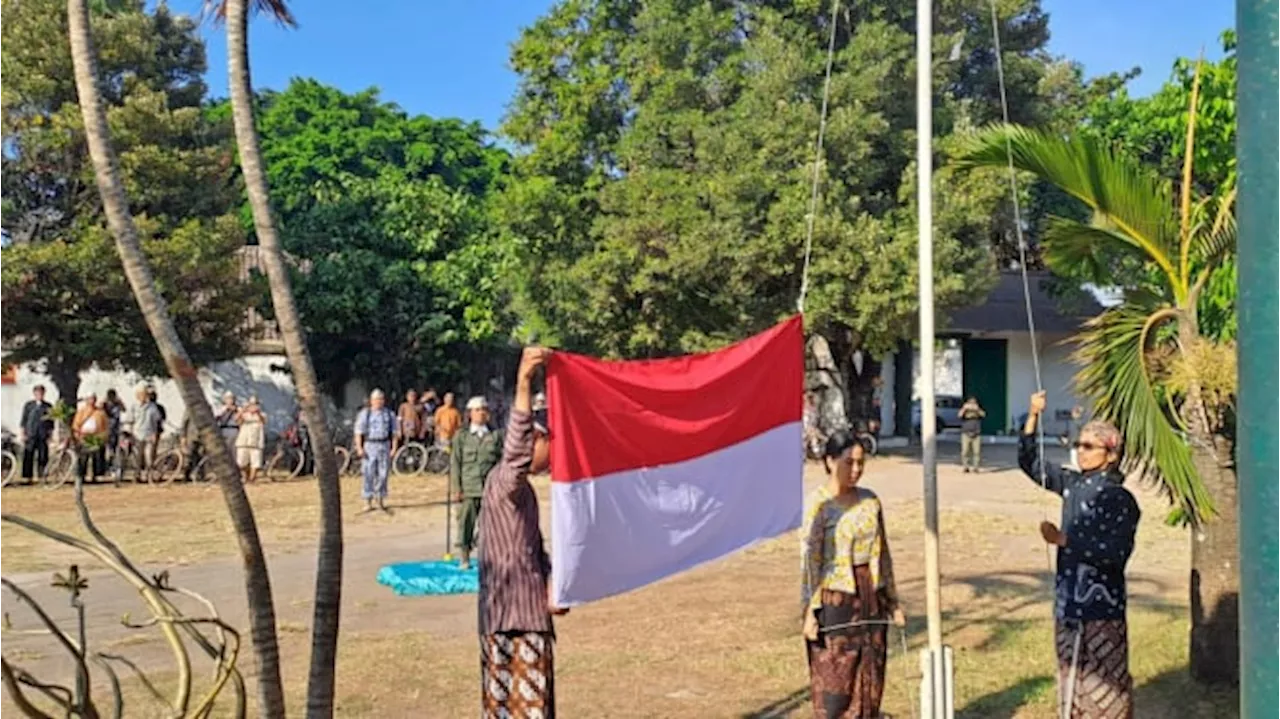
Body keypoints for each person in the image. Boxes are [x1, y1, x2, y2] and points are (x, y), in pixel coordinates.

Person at [1020, 391, 1139, 719]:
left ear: (1111, 454)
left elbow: (1115, 553)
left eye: (1088, 446)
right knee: (1070, 685)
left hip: (1103, 609)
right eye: (1078, 445)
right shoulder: (1072, 484)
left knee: (1106, 693)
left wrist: (1064, 540)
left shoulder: (1120, 499)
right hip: (1068, 602)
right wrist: (1032, 415)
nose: (1080, 452)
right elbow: (1030, 463)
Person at [478, 347, 567, 717]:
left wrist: (551, 584)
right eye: (552, 444)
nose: (555, 454)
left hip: (527, 616)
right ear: (537, 441)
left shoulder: (524, 492)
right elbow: (516, 445)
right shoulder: (506, 482)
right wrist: (524, 380)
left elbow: (532, 549)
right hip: (512, 624)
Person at [801, 430, 905, 719]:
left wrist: (892, 600)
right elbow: (810, 562)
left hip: (869, 593)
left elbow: (883, 555)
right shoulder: (818, 505)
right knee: (836, 676)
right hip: (834, 598)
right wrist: (810, 612)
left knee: (870, 671)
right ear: (830, 461)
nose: (856, 470)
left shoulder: (871, 502)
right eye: (849, 462)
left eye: (861, 463)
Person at [450, 396, 503, 569]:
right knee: (466, 523)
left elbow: (502, 462)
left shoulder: (496, 435)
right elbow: (455, 463)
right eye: (478, 410)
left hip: (490, 488)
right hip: (469, 487)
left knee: (490, 525)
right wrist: (457, 488)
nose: (481, 413)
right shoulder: (462, 436)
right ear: (470, 413)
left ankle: (487, 557)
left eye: (484, 410)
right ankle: (464, 557)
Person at [355, 389, 399, 513]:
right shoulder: (365, 414)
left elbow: (395, 433)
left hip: (384, 445)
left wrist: (394, 448)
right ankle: (367, 500)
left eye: (381, 399)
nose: (379, 401)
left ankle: (380, 499)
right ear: (371, 401)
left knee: (383, 474)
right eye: (376, 399)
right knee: (368, 473)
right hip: (370, 445)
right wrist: (359, 447)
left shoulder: (389, 414)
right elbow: (358, 432)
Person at [19, 385, 54, 483]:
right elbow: (24, 420)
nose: (39, 395)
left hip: (43, 435)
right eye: (37, 393)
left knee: (43, 456)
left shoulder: (48, 406)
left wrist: (50, 436)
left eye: (41, 393)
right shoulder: (29, 405)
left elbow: (51, 422)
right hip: (31, 434)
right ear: (34, 394)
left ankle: (42, 476)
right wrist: (23, 433)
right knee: (28, 455)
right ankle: (27, 477)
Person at [72, 393, 109, 483]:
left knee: (97, 457)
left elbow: (105, 426)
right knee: (83, 457)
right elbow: (76, 424)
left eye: (93, 399)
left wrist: (103, 437)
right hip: (84, 436)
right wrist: (77, 434)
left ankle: (97, 475)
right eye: (90, 399)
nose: (91, 401)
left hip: (96, 437)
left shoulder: (101, 412)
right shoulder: (81, 411)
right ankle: (82, 475)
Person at [235, 396, 266, 483]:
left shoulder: (262, 414)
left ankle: (252, 479)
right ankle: (246, 476)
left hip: (256, 441)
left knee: (255, 461)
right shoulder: (244, 415)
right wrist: (243, 410)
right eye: (252, 404)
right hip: (243, 440)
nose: (253, 406)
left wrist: (258, 413)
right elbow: (237, 420)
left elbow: (263, 421)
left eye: (255, 404)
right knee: (241, 461)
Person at [959, 396, 986, 473]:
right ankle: (965, 466)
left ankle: (976, 467)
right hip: (965, 433)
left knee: (976, 452)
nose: (972, 405)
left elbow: (983, 414)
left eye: (973, 403)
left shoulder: (977, 410)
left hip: (976, 433)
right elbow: (959, 415)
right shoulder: (965, 411)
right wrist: (964, 408)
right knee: (965, 451)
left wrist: (977, 409)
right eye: (970, 403)